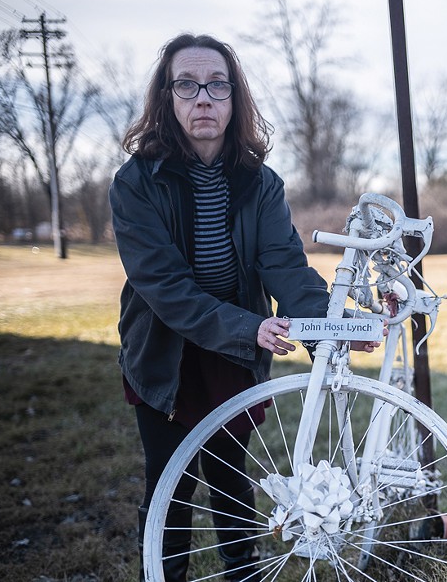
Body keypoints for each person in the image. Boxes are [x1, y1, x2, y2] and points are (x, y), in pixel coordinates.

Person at [109, 33, 379, 582]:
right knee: (170, 483)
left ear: (235, 100)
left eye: (217, 85)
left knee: (231, 478)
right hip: (165, 351)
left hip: (234, 351)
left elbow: (285, 266)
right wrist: (250, 328)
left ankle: (243, 576)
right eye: (187, 84)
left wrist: (329, 325)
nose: (203, 98)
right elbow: (165, 287)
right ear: (167, 97)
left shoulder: (260, 183)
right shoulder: (135, 182)